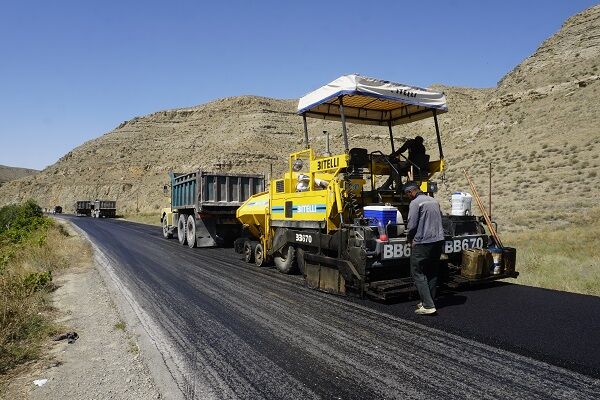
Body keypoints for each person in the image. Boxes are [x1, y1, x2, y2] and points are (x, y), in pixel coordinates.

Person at [404, 181, 445, 315]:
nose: (407, 196)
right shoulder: (433, 201)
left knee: (417, 272)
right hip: (438, 241)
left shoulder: (415, 203)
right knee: (432, 272)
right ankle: (429, 301)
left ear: (411, 192)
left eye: (407, 194)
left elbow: (412, 226)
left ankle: (428, 306)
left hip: (423, 243)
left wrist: (409, 239)